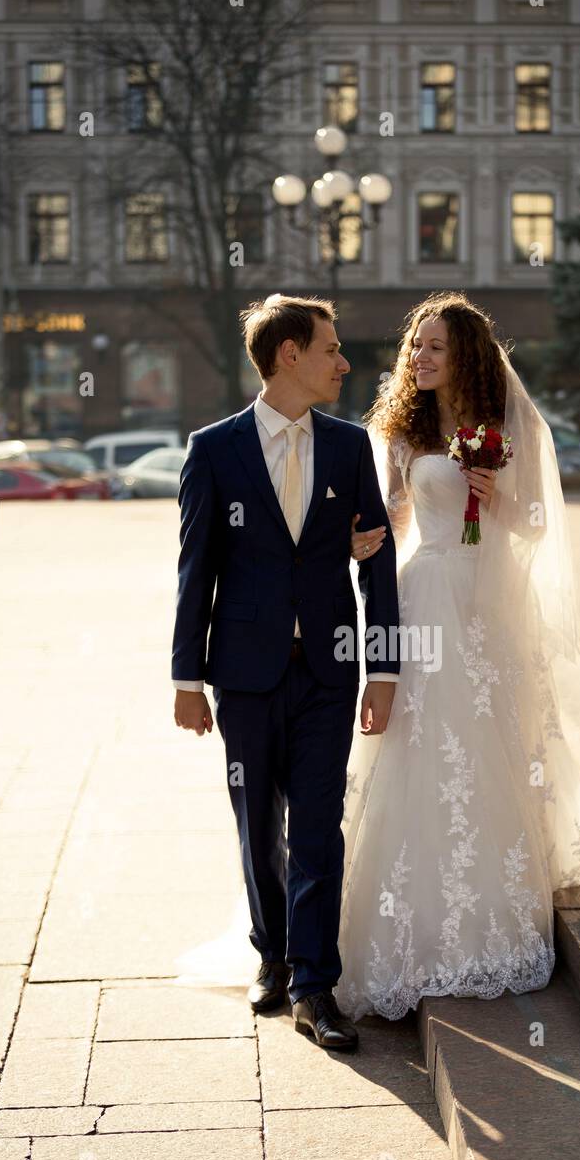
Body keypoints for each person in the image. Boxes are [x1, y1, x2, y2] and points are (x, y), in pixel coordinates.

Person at [335, 290, 580, 1023]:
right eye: (415, 347)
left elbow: (534, 526)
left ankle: (491, 906)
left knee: (491, 741)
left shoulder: (504, 426)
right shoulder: (399, 429)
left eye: (434, 347)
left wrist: (495, 499)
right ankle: (414, 920)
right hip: (424, 591)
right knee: (421, 744)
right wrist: (356, 542)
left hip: (489, 609)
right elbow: (389, 520)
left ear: (465, 356)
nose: (419, 357)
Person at [171, 294, 401, 1051]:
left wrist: (384, 667)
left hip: (329, 674)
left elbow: (377, 559)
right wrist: (187, 680)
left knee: (318, 826)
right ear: (289, 356)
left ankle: (313, 984)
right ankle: (268, 951)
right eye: (331, 349)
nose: (344, 362)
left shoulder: (346, 447)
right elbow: (195, 570)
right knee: (255, 824)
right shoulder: (214, 450)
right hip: (241, 674)